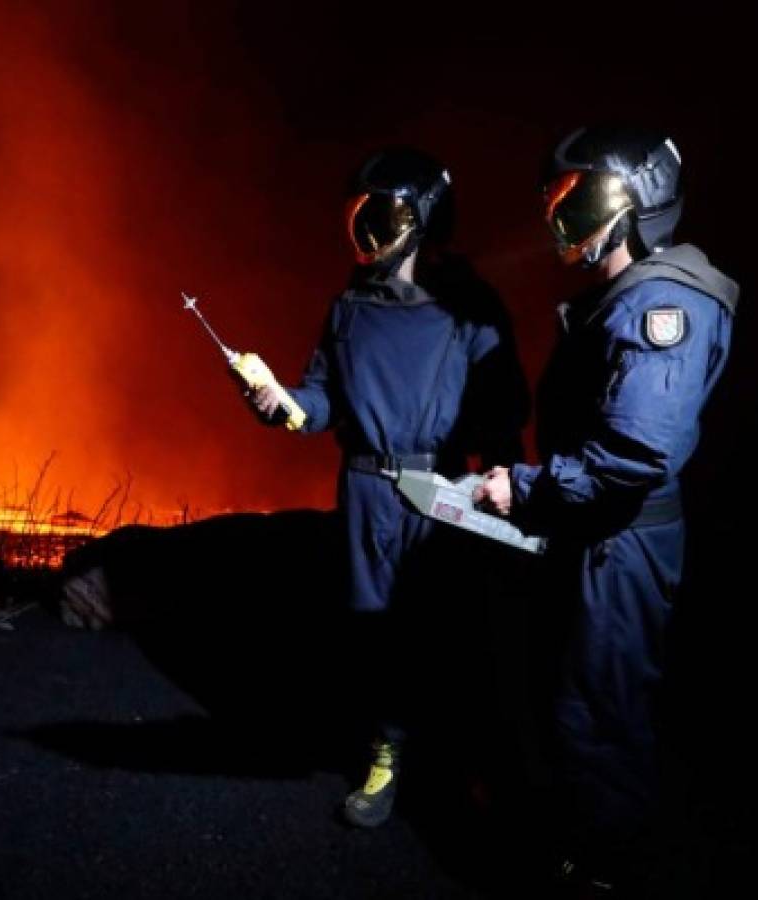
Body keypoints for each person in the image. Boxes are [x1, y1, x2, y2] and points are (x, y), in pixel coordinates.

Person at [475, 125, 739, 894]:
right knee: (573, 694)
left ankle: (606, 869)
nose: (561, 220)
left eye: (578, 200)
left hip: (618, 541)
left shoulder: (664, 305)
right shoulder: (626, 295)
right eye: (557, 202)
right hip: (594, 531)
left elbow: (633, 455)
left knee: (601, 709)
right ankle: (577, 840)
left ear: (633, 203)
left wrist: (521, 489)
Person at [245, 147, 528, 827]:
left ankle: (467, 762)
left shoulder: (469, 307)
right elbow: (320, 399)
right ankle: (385, 753)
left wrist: (506, 488)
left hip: (444, 486)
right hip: (368, 488)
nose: (364, 228)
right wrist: (280, 400)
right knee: (373, 630)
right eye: (359, 213)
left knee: (452, 625)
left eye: (379, 212)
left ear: (419, 216)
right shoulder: (349, 306)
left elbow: (502, 407)